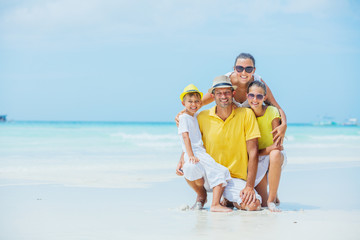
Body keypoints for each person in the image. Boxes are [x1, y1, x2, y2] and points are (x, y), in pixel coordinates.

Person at [177, 76, 262, 211]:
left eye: (227, 92)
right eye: (219, 93)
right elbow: (191, 139)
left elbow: (253, 152)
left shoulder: (246, 114)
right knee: (189, 167)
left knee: (253, 205)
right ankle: (201, 195)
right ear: (213, 95)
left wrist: (249, 186)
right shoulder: (201, 117)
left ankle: (229, 200)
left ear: (233, 94)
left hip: (233, 178)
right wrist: (182, 159)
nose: (223, 96)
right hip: (208, 177)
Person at [183, 53, 287, 146]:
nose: (244, 72)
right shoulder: (225, 82)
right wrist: (184, 114)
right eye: (239, 68)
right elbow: (200, 103)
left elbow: (276, 107)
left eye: (249, 69)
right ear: (234, 68)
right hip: (232, 127)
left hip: (250, 127)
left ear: (254, 70)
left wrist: (284, 125)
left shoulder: (258, 83)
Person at [178, 84, 232, 212]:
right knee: (217, 171)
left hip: (200, 152)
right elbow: (185, 137)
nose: (193, 104)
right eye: (190, 102)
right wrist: (189, 155)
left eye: (197, 101)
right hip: (194, 152)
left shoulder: (195, 116)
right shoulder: (183, 118)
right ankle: (213, 203)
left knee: (217, 171)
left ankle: (215, 200)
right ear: (183, 103)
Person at [247, 81, 287, 212]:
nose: (255, 99)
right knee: (261, 203)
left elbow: (277, 146)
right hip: (256, 158)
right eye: (251, 95)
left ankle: (272, 200)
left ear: (264, 97)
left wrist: (263, 151)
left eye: (259, 96)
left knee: (275, 154)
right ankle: (271, 197)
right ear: (247, 96)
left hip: (272, 156)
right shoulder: (245, 114)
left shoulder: (272, 111)